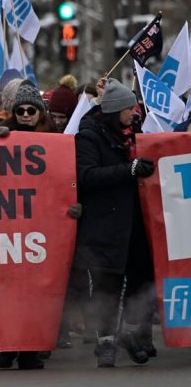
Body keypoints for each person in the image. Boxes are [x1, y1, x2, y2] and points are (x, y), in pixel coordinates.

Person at [74, 78, 156, 368]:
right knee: (107, 285)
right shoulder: (88, 137)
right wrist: (129, 169)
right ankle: (105, 342)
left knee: (142, 277)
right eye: (128, 109)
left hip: (136, 222)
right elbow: (87, 176)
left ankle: (130, 332)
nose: (133, 113)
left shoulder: (134, 132)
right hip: (104, 224)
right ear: (114, 111)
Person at [0, 81, 54, 370]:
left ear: (40, 113)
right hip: (8, 227)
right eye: (20, 110)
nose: (26, 114)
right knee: (7, 292)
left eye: (31, 110)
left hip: (40, 228)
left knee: (34, 294)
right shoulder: (2, 138)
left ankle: (28, 349)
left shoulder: (55, 141)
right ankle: (7, 347)